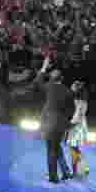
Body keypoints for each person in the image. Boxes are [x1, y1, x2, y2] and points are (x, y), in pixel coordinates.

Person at [33, 55, 75, 183]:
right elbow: (71, 110)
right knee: (56, 147)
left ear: (51, 79)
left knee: (51, 150)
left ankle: (53, 177)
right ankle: (66, 172)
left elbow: (37, 81)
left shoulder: (50, 86)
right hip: (61, 125)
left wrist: (44, 67)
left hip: (50, 124)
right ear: (62, 79)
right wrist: (65, 122)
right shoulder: (68, 92)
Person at [66, 80, 90, 177]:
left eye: (73, 87)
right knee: (74, 148)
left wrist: (71, 124)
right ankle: (81, 168)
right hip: (81, 124)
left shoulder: (77, 101)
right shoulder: (84, 101)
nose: (71, 89)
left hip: (76, 125)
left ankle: (79, 169)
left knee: (73, 148)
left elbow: (77, 115)